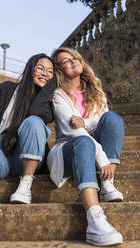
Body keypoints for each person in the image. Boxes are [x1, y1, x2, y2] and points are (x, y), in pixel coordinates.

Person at [47, 47, 125, 246]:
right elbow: (73, 130)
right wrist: (103, 159)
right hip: (68, 149)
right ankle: (94, 219)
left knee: (113, 119)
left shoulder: (96, 91)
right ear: (59, 69)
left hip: (91, 144)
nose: (73, 61)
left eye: (74, 57)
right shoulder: (58, 95)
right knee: (83, 142)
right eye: (66, 61)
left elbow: (99, 122)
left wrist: (86, 123)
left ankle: (107, 183)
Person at [0, 53, 56, 204]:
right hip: (1, 154)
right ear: (30, 68)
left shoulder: (47, 103)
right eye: (40, 68)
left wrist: (49, 87)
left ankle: (25, 185)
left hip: (28, 159)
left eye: (51, 71)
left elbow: (35, 112)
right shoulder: (7, 89)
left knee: (34, 121)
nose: (45, 73)